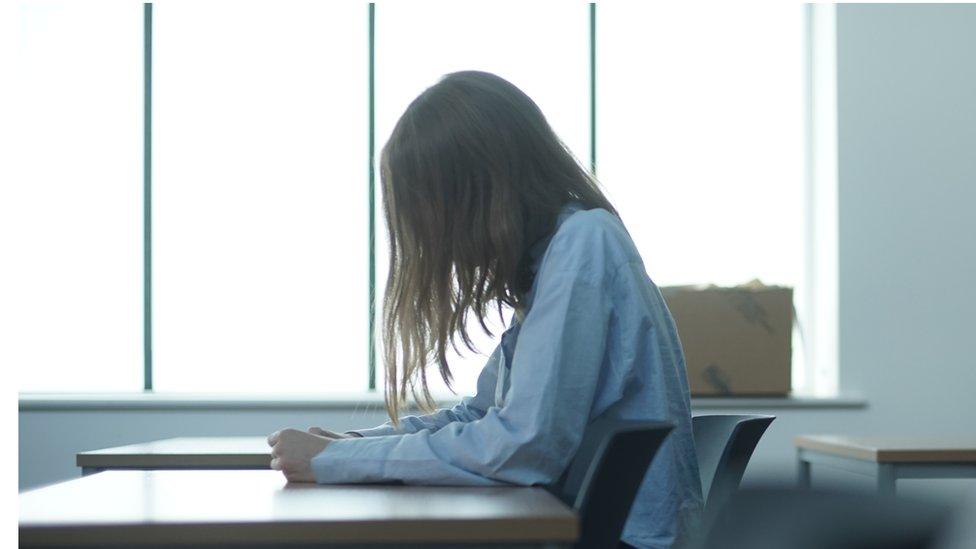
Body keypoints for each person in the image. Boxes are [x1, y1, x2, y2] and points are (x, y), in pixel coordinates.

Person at [267, 70, 702, 549]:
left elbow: (521, 446)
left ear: (478, 192)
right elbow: (480, 417)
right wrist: (355, 446)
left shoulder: (584, 243)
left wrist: (335, 462)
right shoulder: (553, 258)